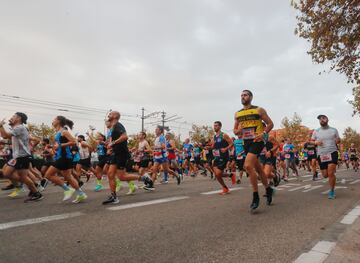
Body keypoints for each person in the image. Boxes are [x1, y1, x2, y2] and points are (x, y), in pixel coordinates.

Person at [233, 90, 274, 212]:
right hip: (246, 142)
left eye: (245, 95)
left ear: (250, 97)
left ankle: (255, 196)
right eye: (241, 95)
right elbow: (235, 130)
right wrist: (238, 131)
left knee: (247, 165)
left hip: (257, 141)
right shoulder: (237, 114)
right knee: (259, 169)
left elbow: (270, 124)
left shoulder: (259, 110)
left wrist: (263, 133)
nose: (243, 97)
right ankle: (268, 189)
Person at [102, 111, 153, 205]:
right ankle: (114, 197)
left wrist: (113, 143)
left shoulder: (118, 125)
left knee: (122, 177)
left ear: (114, 116)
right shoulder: (113, 128)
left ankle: (143, 178)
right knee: (110, 174)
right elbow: (115, 141)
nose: (108, 115)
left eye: (110, 114)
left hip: (122, 154)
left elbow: (125, 136)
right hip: (115, 153)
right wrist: (110, 145)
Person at [0, 112, 43, 202]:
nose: (11, 118)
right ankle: (31, 186)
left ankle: (35, 192)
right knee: (7, 173)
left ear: (19, 118)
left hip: (22, 156)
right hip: (17, 157)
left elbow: (5, 135)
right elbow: (6, 137)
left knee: (23, 177)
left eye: (13, 116)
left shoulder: (20, 127)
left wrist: (0, 126)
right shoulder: (16, 128)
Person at [44, 116, 87, 203]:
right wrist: (53, 147)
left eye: (54, 119)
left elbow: (74, 141)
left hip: (64, 157)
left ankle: (67, 189)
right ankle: (81, 194)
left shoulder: (64, 131)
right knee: (69, 177)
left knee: (48, 175)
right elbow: (60, 145)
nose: (52, 121)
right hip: (64, 157)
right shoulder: (58, 132)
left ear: (59, 121)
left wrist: (59, 146)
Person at [311, 114, 340, 199]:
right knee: (325, 175)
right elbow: (311, 141)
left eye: (323, 118)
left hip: (332, 152)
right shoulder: (316, 131)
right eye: (320, 119)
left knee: (330, 173)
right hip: (321, 154)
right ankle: (333, 177)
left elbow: (338, 139)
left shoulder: (334, 130)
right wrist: (315, 142)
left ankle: (331, 191)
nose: (321, 120)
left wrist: (338, 140)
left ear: (327, 119)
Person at [210, 121, 233, 194]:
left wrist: (226, 149)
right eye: (214, 126)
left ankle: (226, 187)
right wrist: (206, 147)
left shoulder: (224, 135)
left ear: (220, 126)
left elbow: (231, 143)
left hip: (223, 157)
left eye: (216, 126)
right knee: (217, 174)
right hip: (216, 157)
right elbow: (212, 146)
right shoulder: (214, 136)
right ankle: (226, 185)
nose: (214, 127)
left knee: (218, 174)